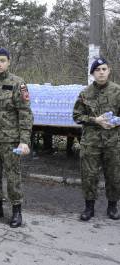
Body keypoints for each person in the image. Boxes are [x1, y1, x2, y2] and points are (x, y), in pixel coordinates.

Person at [0, 48, 33, 228]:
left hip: (11, 140)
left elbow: (25, 113)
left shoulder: (18, 83)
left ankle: (17, 211)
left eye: (2, 60)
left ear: (9, 62)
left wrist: (24, 140)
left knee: (13, 176)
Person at [73, 57, 120, 221]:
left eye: (104, 69)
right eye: (97, 70)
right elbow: (76, 116)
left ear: (109, 71)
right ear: (92, 73)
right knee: (89, 176)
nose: (101, 72)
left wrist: (115, 122)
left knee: (114, 175)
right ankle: (89, 208)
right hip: (91, 143)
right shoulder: (85, 93)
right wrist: (95, 120)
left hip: (113, 142)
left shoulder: (117, 91)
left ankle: (113, 207)